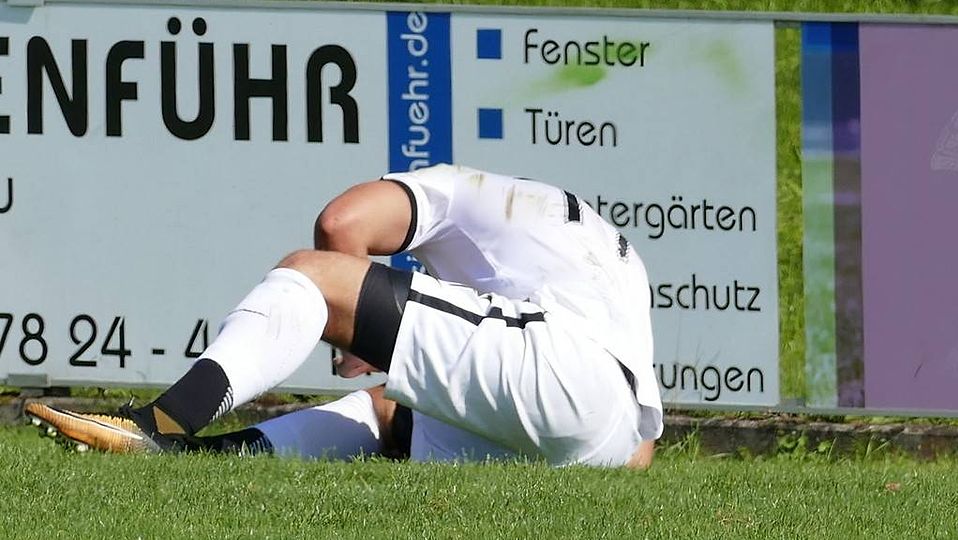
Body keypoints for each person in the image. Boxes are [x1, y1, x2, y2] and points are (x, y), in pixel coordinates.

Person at [26, 164, 663, 468]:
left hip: (555, 370)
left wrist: (357, 336)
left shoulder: (462, 188)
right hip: (609, 446)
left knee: (312, 274)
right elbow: (639, 446)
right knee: (393, 409)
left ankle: (157, 424)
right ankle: (203, 462)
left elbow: (343, 223)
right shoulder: (609, 256)